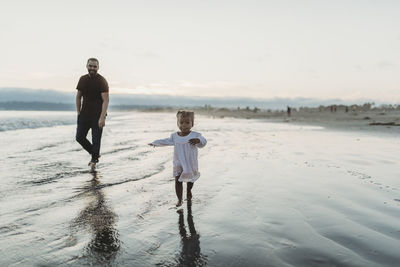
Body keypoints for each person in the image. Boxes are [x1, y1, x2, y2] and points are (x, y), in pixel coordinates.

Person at [148, 111, 207, 207]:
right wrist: (155, 143)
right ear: (178, 123)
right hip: (178, 162)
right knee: (178, 180)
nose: (184, 125)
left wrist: (198, 140)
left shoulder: (195, 135)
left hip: (190, 162)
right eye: (181, 122)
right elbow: (166, 141)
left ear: (192, 123)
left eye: (187, 122)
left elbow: (203, 142)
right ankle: (179, 199)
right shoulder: (175, 136)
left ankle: (189, 191)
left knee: (190, 179)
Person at [75, 58, 109, 171]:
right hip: (84, 114)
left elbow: (106, 100)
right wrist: (78, 112)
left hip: (97, 115)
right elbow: (78, 96)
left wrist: (102, 117)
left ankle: (94, 160)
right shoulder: (82, 79)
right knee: (79, 137)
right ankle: (94, 153)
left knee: (96, 139)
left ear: (98, 67)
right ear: (86, 66)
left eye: (95, 66)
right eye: (90, 66)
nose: (92, 68)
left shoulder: (102, 81)